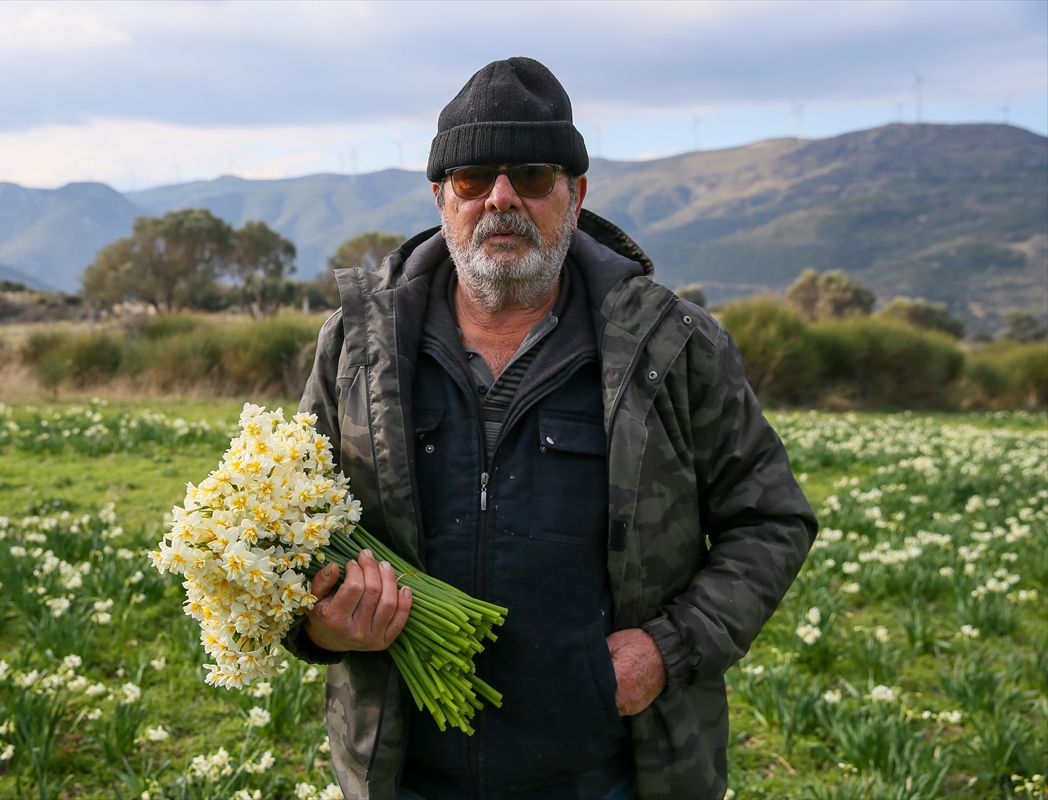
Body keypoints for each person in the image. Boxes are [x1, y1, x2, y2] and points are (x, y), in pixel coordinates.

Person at [287, 57, 817, 800]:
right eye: (473, 179)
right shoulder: (355, 345)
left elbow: (771, 520)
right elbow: (291, 529)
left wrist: (666, 650)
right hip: (402, 774)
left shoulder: (676, 345)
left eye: (533, 175)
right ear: (441, 196)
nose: (501, 199)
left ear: (576, 195)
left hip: (610, 775)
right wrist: (320, 625)